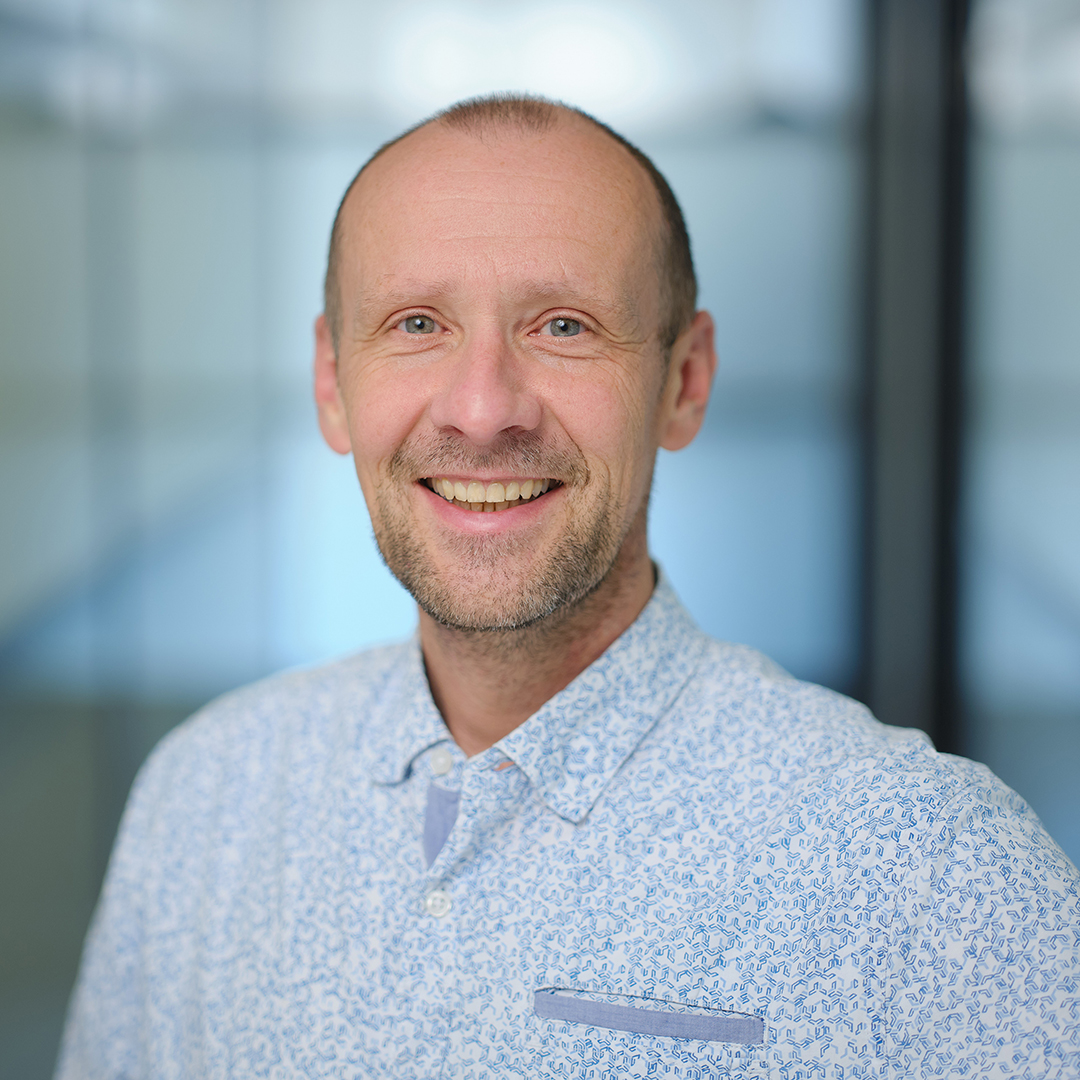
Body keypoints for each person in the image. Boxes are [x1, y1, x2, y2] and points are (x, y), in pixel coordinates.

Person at [58, 95, 1079, 1079]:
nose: (482, 409)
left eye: (564, 326)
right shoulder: (205, 797)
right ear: (333, 383)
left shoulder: (931, 868)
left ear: (684, 381)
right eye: (416, 324)